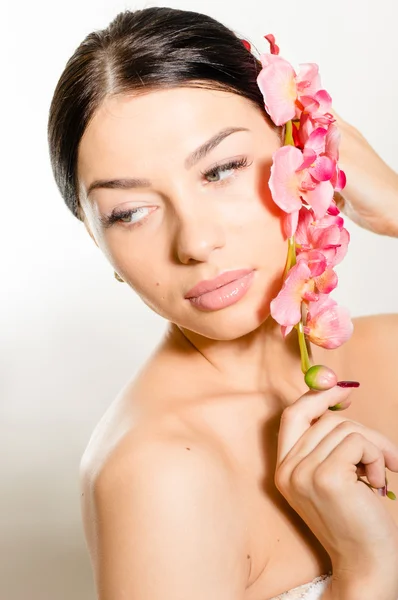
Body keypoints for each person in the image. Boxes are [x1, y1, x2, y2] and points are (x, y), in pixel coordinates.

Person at [47, 7, 398, 599]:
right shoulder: (158, 474)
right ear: (97, 239)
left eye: (222, 169)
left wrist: (393, 206)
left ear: (299, 146)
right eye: (128, 212)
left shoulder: (389, 348)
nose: (195, 242)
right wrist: (364, 570)